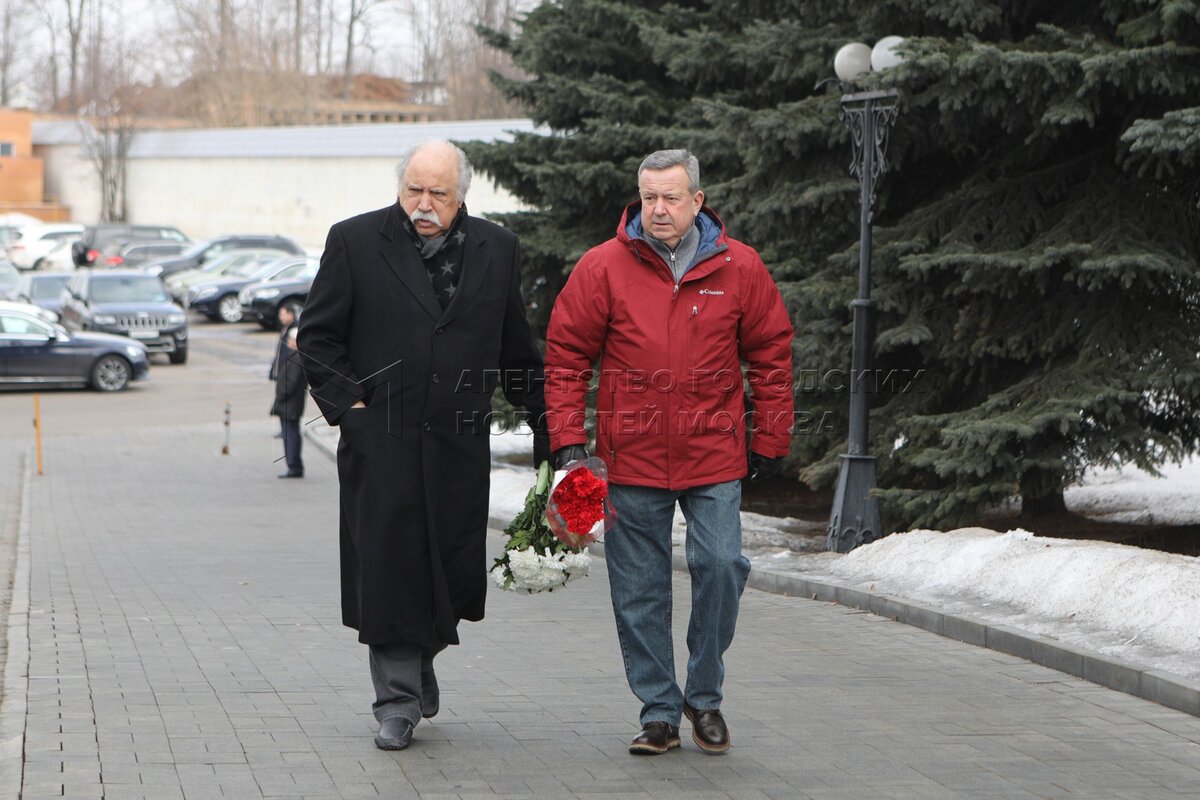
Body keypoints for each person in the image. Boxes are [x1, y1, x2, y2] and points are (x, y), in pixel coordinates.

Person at [297, 139, 549, 752]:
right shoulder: (355, 241)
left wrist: (551, 428)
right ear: (400, 187)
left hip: (457, 445)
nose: (423, 203)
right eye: (414, 189)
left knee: (450, 569)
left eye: (438, 193)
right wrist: (352, 412)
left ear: (461, 196)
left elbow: (515, 351)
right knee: (388, 568)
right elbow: (318, 338)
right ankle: (397, 700)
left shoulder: (496, 248)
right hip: (381, 441)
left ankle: (423, 654)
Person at [544, 149, 793, 755]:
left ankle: (703, 697)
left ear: (697, 200)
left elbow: (771, 354)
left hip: (714, 454)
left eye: (671, 197)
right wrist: (568, 439)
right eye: (649, 197)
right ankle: (659, 711)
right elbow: (567, 356)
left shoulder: (740, 267)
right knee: (639, 591)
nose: (659, 208)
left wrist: (770, 437)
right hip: (630, 457)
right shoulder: (603, 267)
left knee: (722, 566)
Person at [271, 326, 306, 478]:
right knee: (290, 434)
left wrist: (280, 395)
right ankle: (293, 465)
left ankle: (294, 466)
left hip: (290, 404)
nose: (289, 342)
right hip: (291, 404)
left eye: (291, 340)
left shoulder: (297, 358)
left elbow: (290, 383)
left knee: (290, 435)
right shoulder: (295, 356)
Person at [269, 305, 299, 441]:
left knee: (288, 410)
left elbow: (288, 355)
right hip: (282, 372)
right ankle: (284, 430)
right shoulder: (285, 328)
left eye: (283, 314)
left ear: (291, 314)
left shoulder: (294, 330)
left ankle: (287, 433)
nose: (280, 317)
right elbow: (279, 353)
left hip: (288, 376)